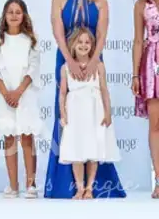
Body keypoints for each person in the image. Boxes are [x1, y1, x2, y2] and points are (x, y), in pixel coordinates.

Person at [44, 0, 125, 198]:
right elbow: (58, 33)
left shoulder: (101, 2)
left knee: (93, 117)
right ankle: (63, 185)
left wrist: (93, 61)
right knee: (67, 118)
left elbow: (101, 34)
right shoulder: (59, 0)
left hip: (93, 61)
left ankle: (95, 186)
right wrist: (69, 61)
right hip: (66, 61)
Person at [0, 0, 42, 199]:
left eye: (18, 12)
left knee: (27, 136)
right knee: (9, 137)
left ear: (24, 15)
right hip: (5, 96)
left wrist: (18, 92)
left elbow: (33, 68)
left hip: (25, 95)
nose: (13, 15)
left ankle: (31, 183)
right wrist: (6, 94)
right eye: (10, 12)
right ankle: (13, 184)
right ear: (4, 15)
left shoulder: (31, 40)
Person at [58, 26, 120, 199]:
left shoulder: (99, 66)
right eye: (80, 42)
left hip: (95, 111)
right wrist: (63, 114)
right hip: (75, 112)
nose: (84, 45)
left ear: (92, 45)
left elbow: (104, 91)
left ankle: (89, 188)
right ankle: (79, 188)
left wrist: (108, 113)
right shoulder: (65, 68)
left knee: (94, 149)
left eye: (87, 42)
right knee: (76, 150)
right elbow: (62, 93)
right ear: (73, 44)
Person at [131, 0, 159, 198]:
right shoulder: (141, 5)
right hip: (151, 65)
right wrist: (135, 74)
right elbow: (138, 41)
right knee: (156, 124)